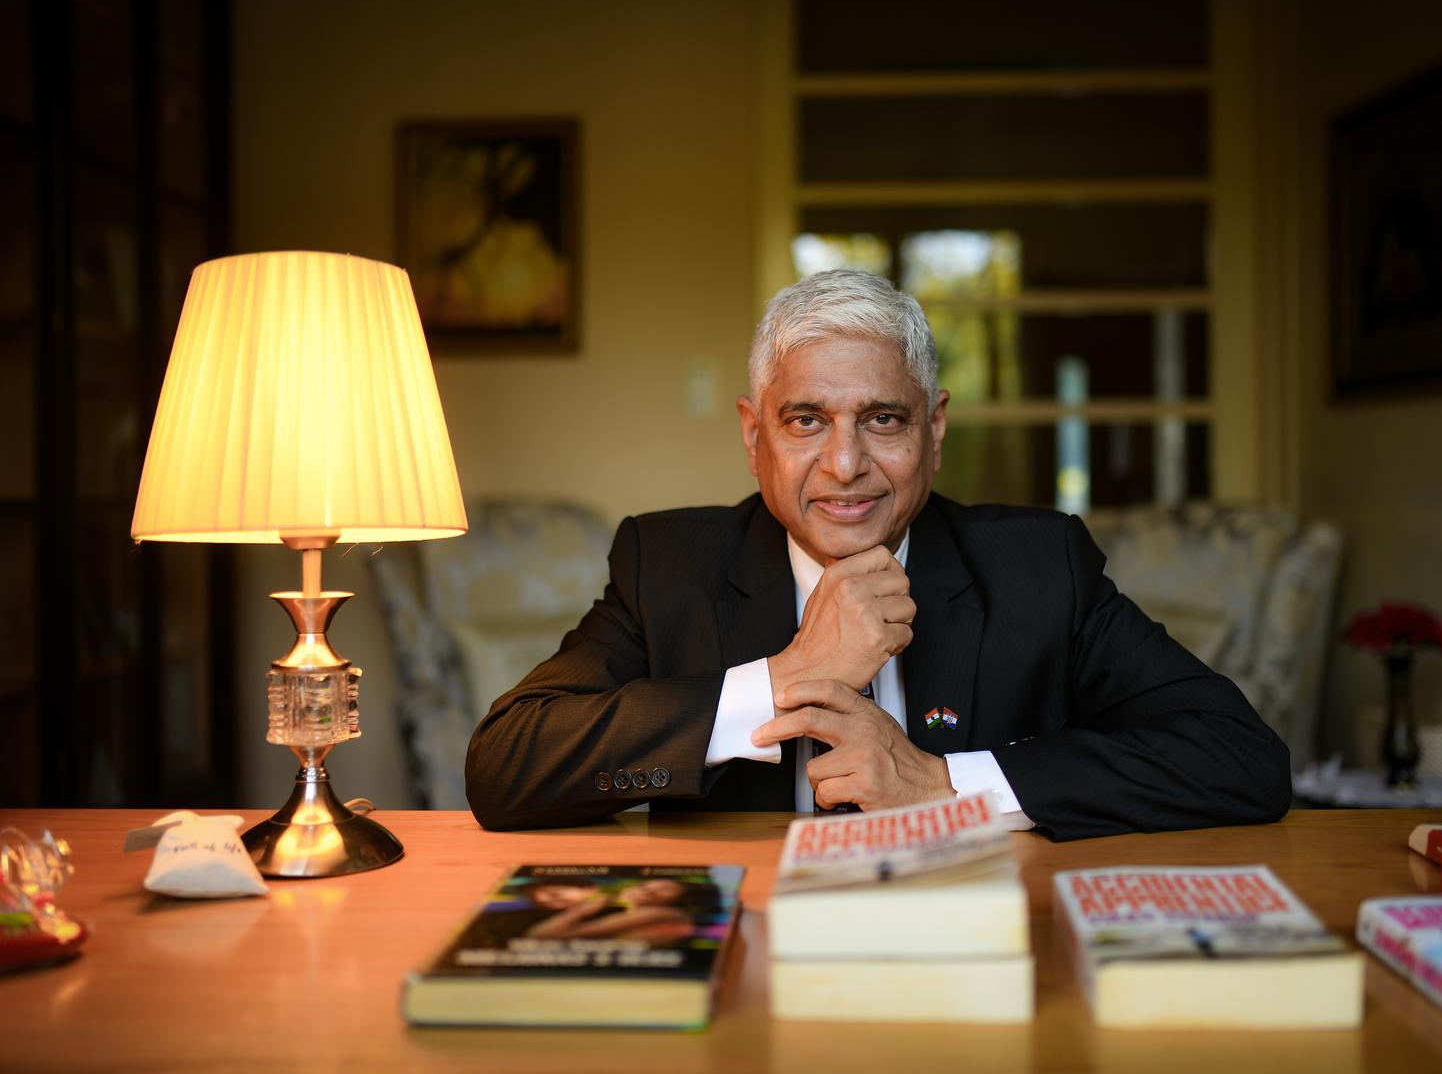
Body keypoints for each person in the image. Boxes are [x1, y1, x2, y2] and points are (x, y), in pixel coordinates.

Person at [465, 269, 1291, 840]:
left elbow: (1241, 759)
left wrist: (944, 786)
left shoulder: (1040, 566)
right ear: (753, 437)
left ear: (934, 428)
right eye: (806, 421)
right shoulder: (669, 566)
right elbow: (506, 766)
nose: (845, 465)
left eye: (883, 420)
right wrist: (785, 679)